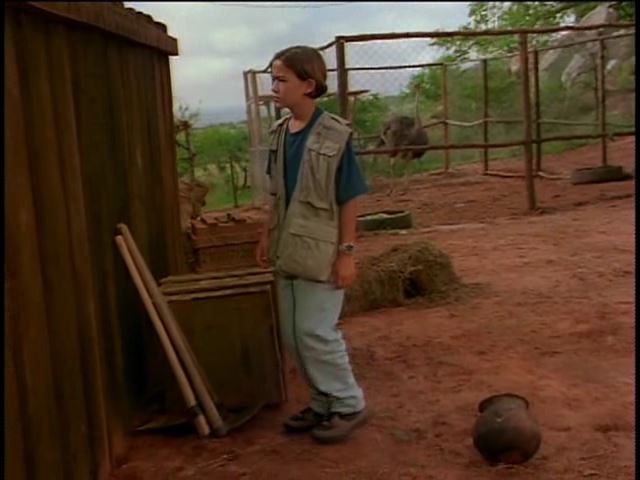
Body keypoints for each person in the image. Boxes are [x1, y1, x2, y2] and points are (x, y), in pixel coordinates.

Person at [255, 45, 368, 444]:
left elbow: (349, 197)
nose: (274, 87)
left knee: (315, 331)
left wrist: (347, 254)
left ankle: (348, 403)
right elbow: (277, 193)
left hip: (322, 249)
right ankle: (322, 403)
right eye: (273, 79)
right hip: (287, 246)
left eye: (281, 80)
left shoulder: (335, 135)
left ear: (308, 84)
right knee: (293, 334)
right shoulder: (280, 134)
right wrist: (265, 234)